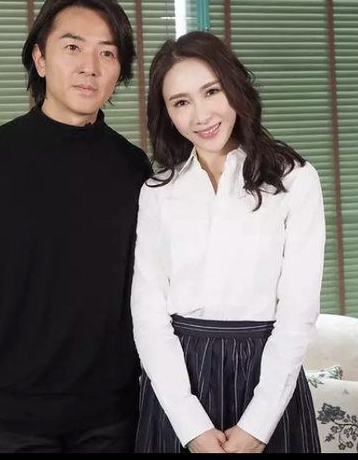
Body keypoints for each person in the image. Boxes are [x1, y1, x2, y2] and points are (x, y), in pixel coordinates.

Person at [0, 0, 151, 453]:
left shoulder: (135, 170)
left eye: (107, 52)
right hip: (9, 426)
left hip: (112, 422)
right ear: (40, 59)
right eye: (73, 47)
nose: (90, 67)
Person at [131, 31, 325, 454]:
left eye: (211, 91)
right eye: (181, 102)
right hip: (179, 385)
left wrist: (257, 426)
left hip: (267, 383)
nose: (201, 115)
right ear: (167, 114)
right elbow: (148, 315)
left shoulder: (295, 180)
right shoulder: (158, 193)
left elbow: (298, 311)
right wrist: (190, 426)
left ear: (235, 87)